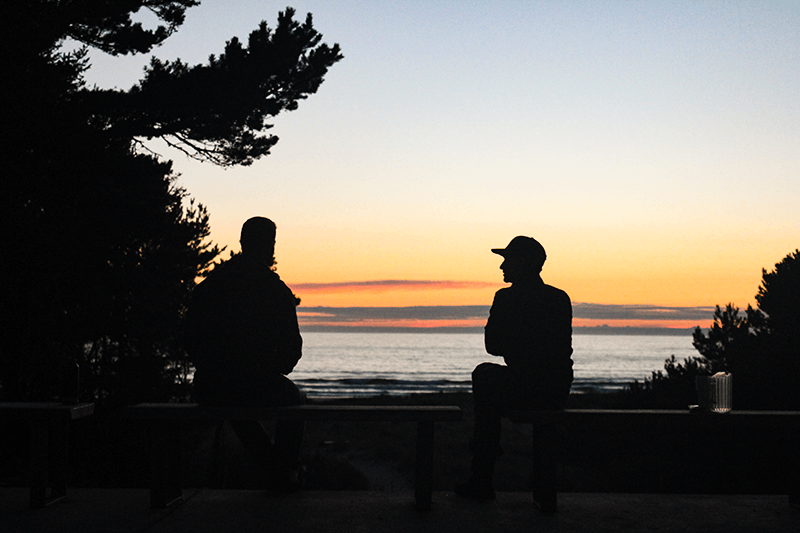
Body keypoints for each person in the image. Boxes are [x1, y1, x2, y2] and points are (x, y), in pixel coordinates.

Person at [185, 216, 305, 491]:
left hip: (210, 387)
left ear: (241, 242)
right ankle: (282, 473)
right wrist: (267, 369)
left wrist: (211, 365)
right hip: (256, 385)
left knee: (235, 404)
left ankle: (279, 473)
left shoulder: (210, 285)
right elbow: (291, 351)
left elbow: (190, 340)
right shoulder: (275, 290)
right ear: (270, 246)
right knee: (293, 400)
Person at [455, 236, 573, 501]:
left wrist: (514, 343)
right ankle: (491, 477)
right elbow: (552, 349)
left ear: (525, 264)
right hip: (556, 388)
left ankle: (482, 478)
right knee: (487, 381)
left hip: (530, 385)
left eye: (508, 260)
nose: (502, 267)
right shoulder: (558, 298)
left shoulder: (506, 298)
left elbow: (493, 344)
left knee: (484, 377)